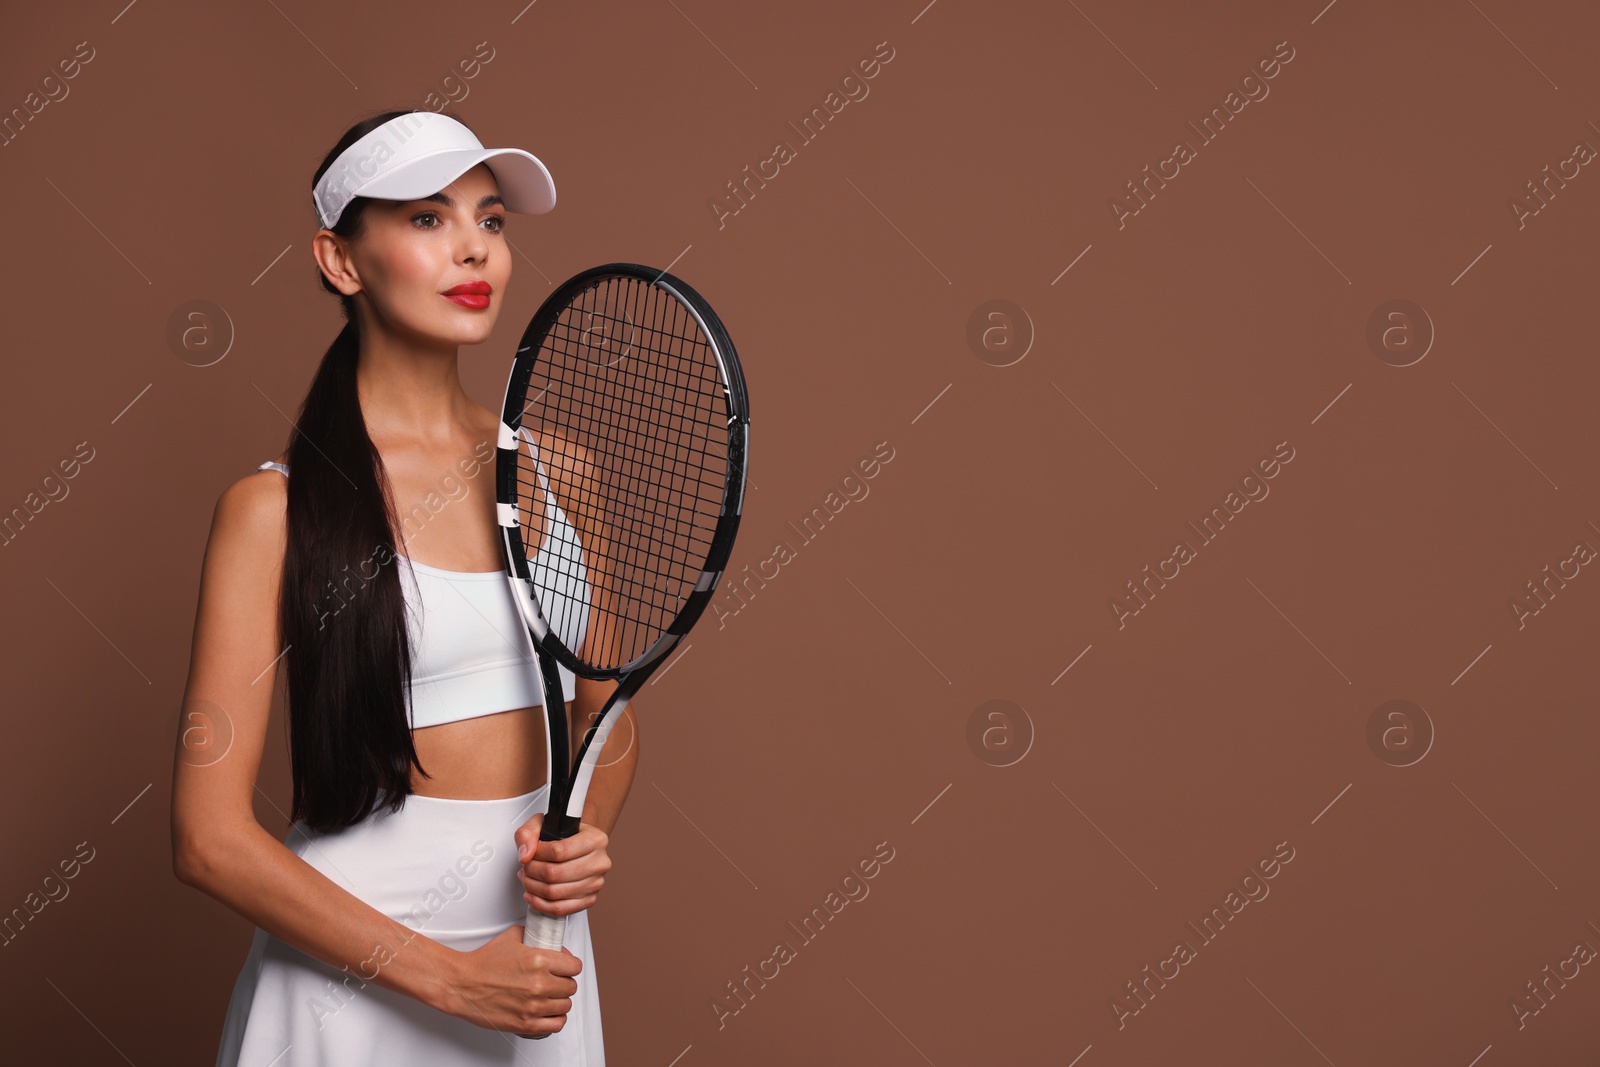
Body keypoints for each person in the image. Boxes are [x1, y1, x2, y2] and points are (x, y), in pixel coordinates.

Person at [170, 108, 634, 1066]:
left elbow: (609, 719)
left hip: (534, 972)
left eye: (491, 220)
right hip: (349, 983)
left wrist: (584, 831)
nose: (474, 247)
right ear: (341, 261)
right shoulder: (273, 511)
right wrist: (448, 977)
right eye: (428, 218)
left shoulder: (560, 474)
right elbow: (208, 838)